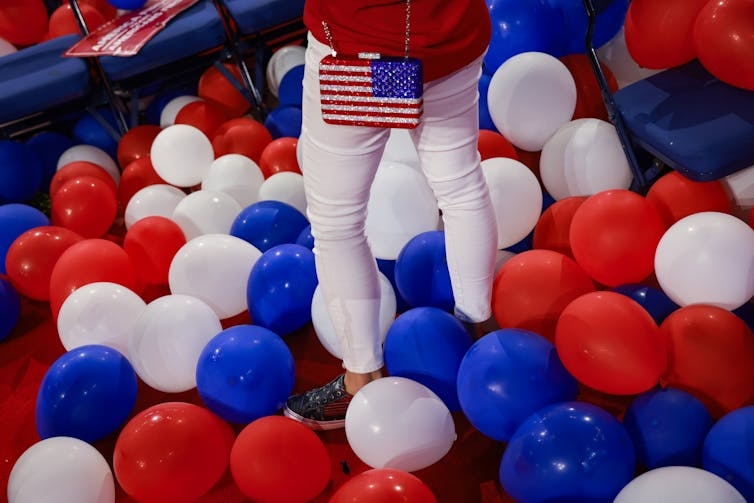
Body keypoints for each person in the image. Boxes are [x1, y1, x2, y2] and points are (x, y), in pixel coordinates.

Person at [283, 0, 498, 430]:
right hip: (449, 36)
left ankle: (361, 376)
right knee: (460, 187)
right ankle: (482, 342)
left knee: (336, 222)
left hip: (357, 42)